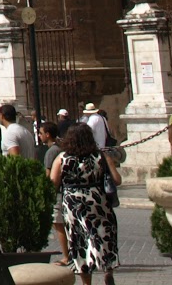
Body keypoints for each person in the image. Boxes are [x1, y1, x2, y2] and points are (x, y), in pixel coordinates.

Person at [50, 122, 120, 285]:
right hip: (98, 200)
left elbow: (53, 183)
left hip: (74, 204)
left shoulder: (62, 159)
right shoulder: (102, 156)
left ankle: (86, 283)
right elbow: (117, 179)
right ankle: (107, 269)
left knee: (79, 241)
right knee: (102, 236)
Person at [38, 121, 71, 267]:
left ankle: (66, 256)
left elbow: (49, 175)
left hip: (58, 193)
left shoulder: (51, 152)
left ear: (48, 134)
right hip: (66, 191)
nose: (39, 136)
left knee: (58, 224)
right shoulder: (60, 148)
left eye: (41, 133)